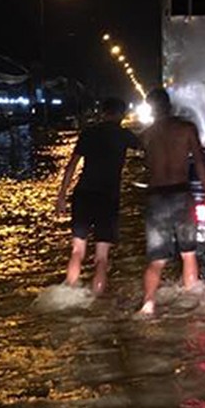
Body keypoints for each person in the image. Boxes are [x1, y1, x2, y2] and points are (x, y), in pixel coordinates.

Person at [138, 88, 205, 316]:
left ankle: (148, 303)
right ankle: (191, 298)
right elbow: (200, 162)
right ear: (170, 105)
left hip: (156, 197)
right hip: (182, 195)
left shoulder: (146, 134)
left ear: (151, 108)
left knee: (156, 260)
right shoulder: (186, 129)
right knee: (188, 253)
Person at [55, 97, 140, 294]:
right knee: (102, 257)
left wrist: (61, 196)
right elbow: (148, 148)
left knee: (77, 251)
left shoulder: (89, 133)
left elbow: (70, 167)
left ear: (103, 112)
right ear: (122, 115)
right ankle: (97, 302)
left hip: (83, 194)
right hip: (107, 198)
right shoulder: (124, 135)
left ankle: (68, 293)